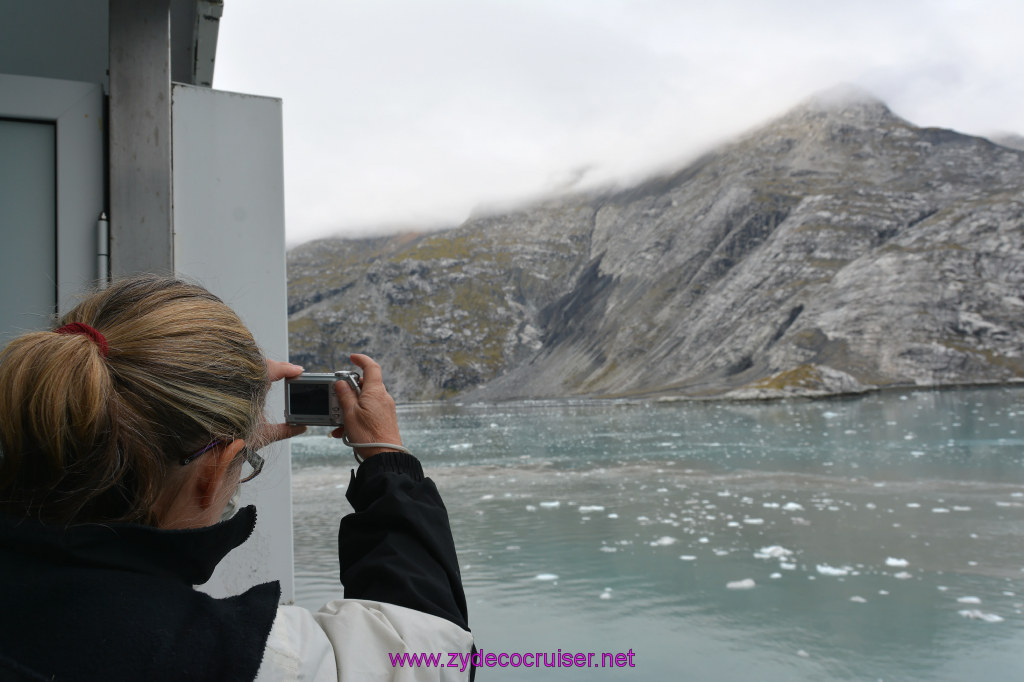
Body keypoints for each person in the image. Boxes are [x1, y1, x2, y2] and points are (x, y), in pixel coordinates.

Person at [0, 276, 473, 681]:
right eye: (242, 465)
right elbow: (428, 654)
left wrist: (214, 428)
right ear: (215, 471)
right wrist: (386, 459)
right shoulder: (229, 659)